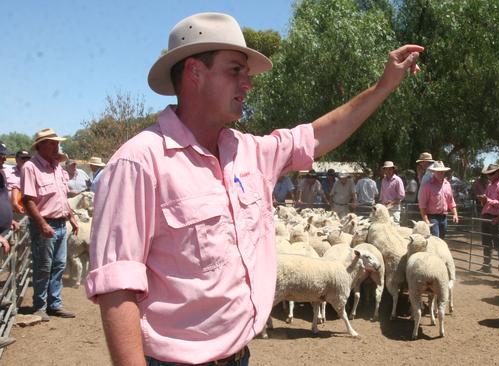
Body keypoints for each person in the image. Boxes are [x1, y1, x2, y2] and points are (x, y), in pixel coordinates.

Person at [84, 12, 423, 365]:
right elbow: (117, 288)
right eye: (235, 71)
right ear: (194, 73)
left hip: (238, 356)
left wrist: (383, 86)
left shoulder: (250, 153)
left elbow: (317, 135)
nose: (248, 83)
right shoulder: (139, 163)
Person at [21, 128, 78, 321]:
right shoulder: (31, 167)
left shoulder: (57, 168)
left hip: (61, 222)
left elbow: (62, 196)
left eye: (57, 143)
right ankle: (40, 306)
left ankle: (55, 304)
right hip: (44, 223)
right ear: (41, 145)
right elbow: (28, 199)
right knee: (43, 265)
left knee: (59, 264)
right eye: (52, 143)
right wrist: (42, 224)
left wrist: (70, 216)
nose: (57, 146)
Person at [477, 163, 499, 273]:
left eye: (492, 173)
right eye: (489, 174)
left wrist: (488, 201)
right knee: (486, 242)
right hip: (487, 215)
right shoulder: (490, 185)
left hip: (496, 217)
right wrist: (484, 200)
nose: (489, 176)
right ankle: (487, 265)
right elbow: (487, 202)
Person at [417, 161, 458, 238]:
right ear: (434, 172)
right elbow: (422, 204)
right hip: (432, 217)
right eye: (438, 172)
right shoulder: (427, 185)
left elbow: (451, 201)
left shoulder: (447, 184)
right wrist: (425, 219)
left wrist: (455, 214)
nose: (440, 173)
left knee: (442, 239)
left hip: (444, 217)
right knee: (435, 238)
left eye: (442, 172)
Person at [6, 150, 31, 214]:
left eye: (28, 158)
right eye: (23, 158)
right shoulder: (6, 172)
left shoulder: (32, 173)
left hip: (26, 211)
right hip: (8, 211)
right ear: (16, 159)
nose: (26, 160)